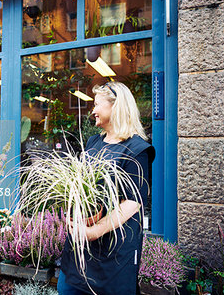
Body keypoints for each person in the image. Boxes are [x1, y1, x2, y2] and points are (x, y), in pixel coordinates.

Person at [58, 81, 155, 295]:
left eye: (96, 104)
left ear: (116, 106)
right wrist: (71, 214)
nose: (92, 111)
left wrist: (94, 231)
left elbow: (132, 202)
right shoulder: (94, 142)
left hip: (113, 256)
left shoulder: (137, 149)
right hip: (79, 250)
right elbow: (78, 186)